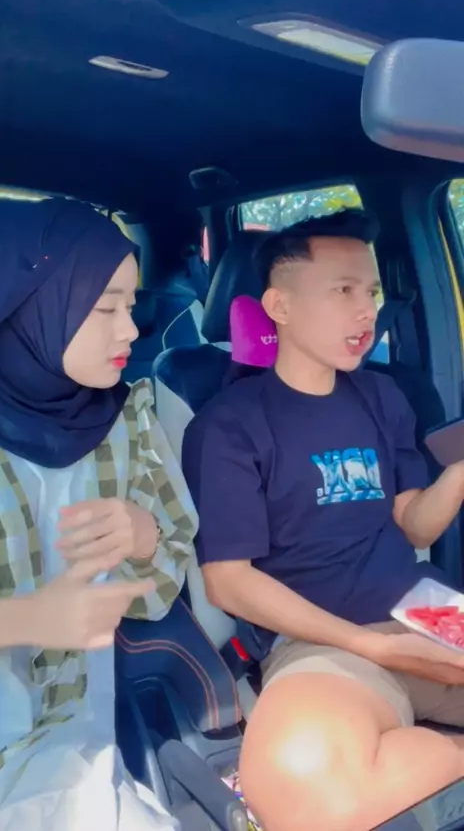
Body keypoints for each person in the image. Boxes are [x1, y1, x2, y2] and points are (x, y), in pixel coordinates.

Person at [182, 208, 464, 831]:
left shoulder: (383, 396)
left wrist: (459, 471)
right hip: (323, 641)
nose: (366, 311)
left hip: (430, 612)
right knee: (302, 791)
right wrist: (371, 645)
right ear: (279, 305)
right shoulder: (229, 425)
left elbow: (416, 526)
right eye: (343, 291)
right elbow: (228, 582)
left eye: (372, 293)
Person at [0, 197, 197, 830]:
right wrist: (20, 619)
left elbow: (162, 579)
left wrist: (144, 534)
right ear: (28, 306)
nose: (130, 331)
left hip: (71, 743)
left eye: (131, 306)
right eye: (105, 308)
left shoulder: (126, 418)